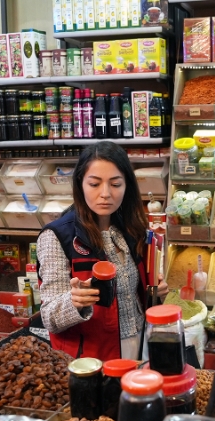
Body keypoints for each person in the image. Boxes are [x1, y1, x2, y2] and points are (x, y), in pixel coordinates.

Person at [37, 141, 168, 361]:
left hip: (139, 347)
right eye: (95, 184)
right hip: (90, 361)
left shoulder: (131, 228)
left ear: (127, 186)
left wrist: (156, 293)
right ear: (81, 184)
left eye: (115, 184)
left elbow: (134, 294)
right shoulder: (58, 236)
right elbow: (50, 317)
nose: (105, 193)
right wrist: (75, 301)